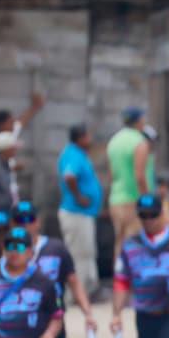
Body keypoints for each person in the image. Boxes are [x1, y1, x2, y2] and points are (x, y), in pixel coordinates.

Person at [112, 194, 169, 338]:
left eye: (153, 215)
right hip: (144, 314)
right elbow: (122, 281)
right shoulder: (130, 245)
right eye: (143, 216)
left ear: (162, 214)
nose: (148, 220)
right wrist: (116, 314)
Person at [13, 201, 95, 338]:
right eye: (19, 220)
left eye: (29, 219)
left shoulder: (56, 249)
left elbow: (74, 282)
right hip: (20, 324)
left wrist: (88, 314)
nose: (25, 224)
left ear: (37, 222)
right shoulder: (9, 253)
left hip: (53, 320)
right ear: (12, 224)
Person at [57, 125, 102, 300]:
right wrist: (79, 196)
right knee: (79, 255)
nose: (90, 140)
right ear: (80, 138)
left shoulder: (79, 154)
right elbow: (69, 176)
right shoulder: (73, 154)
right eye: (88, 136)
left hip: (84, 214)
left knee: (88, 253)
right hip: (76, 213)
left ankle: (89, 290)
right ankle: (76, 295)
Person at [107, 107, 156, 258]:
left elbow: (111, 175)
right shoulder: (139, 142)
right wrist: (146, 199)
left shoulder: (114, 141)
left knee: (120, 242)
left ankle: (119, 277)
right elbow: (139, 175)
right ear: (139, 121)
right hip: (134, 199)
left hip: (116, 199)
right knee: (135, 243)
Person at [0, 97, 45, 164]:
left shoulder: (8, 134)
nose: (13, 126)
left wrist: (35, 106)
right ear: (1, 125)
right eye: (11, 123)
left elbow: (21, 122)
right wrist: (13, 168)